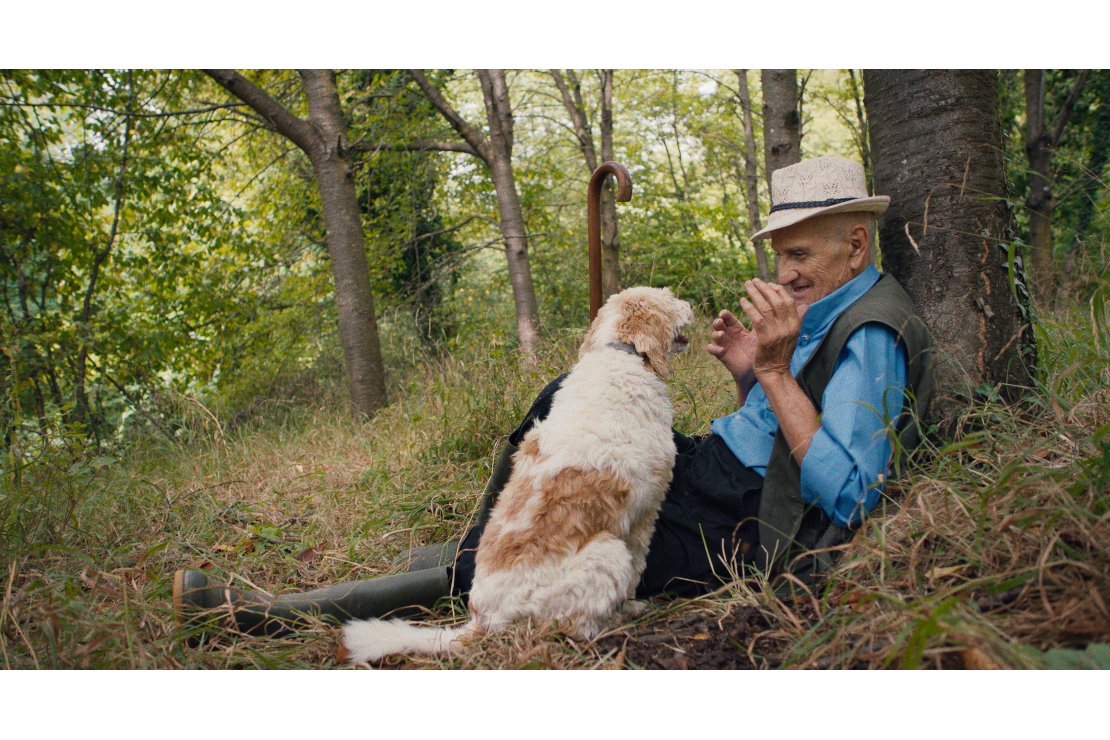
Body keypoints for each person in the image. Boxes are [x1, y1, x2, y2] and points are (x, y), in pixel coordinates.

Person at [173, 156, 932, 635]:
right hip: (712, 471)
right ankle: (459, 559)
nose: (787, 271)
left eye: (799, 254)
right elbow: (780, 420)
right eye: (782, 255)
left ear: (855, 245)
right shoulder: (822, 308)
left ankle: (249, 615)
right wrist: (747, 372)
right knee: (564, 394)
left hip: (746, 522)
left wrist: (770, 374)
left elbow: (851, 492)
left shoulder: (869, 336)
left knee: (537, 558)